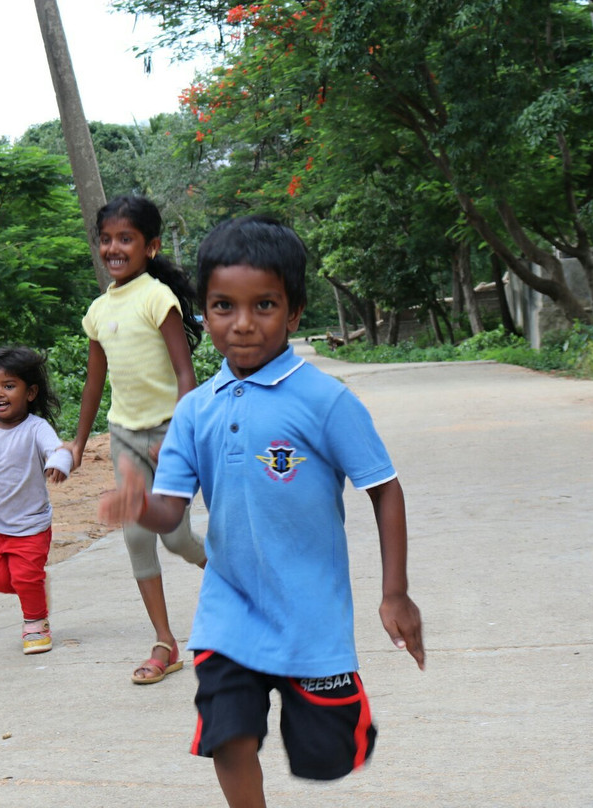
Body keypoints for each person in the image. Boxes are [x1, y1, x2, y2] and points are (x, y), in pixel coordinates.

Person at [98, 215, 425, 806]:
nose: (242, 324)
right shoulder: (195, 411)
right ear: (203, 313)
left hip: (310, 616)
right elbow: (172, 513)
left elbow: (385, 488)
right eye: (223, 306)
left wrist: (394, 593)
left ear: (294, 312)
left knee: (326, 759)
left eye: (265, 305)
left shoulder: (325, 401)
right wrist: (141, 505)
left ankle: (338, 721)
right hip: (228, 613)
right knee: (229, 736)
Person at [69, 195, 207, 685]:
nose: (113, 248)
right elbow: (93, 383)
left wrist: (183, 437)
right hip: (126, 433)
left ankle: (219, 567)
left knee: (176, 537)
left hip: (170, 431)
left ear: (150, 247)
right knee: (136, 535)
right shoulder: (97, 311)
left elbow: (184, 374)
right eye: (106, 239)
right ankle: (165, 643)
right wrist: (79, 443)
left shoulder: (157, 299)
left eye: (125, 239)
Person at [0, 346, 73, 655]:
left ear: (31, 392)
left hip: (32, 524)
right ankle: (32, 586)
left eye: (9, 386)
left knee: (25, 575)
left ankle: (35, 623)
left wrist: (58, 465)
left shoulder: (36, 428)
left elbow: (58, 451)